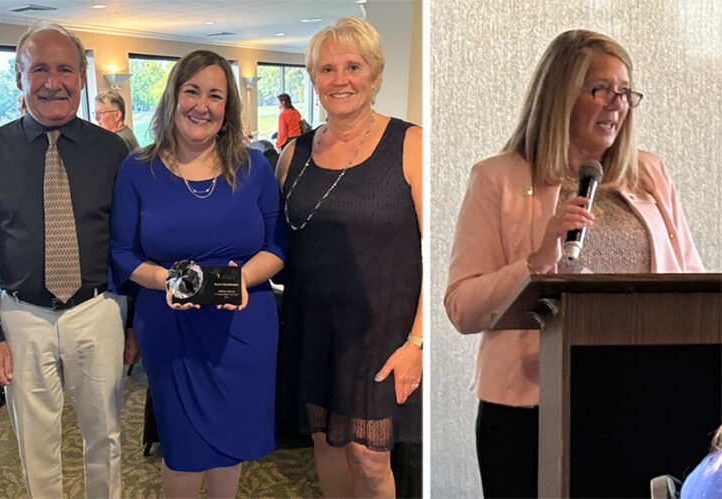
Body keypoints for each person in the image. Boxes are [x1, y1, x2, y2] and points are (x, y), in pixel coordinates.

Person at [445, 30, 703, 498]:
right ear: (560, 95)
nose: (617, 105)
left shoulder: (650, 175)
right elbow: (463, 308)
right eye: (601, 89)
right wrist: (537, 261)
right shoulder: (498, 179)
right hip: (533, 413)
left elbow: (692, 286)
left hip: (645, 401)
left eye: (625, 92)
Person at [109, 49, 285, 498]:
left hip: (243, 325)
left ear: (228, 108)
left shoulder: (254, 167)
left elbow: (277, 247)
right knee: (183, 450)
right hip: (171, 328)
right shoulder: (137, 170)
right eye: (192, 91)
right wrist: (165, 281)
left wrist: (243, 278)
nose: (202, 105)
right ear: (173, 97)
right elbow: (123, 254)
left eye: (215, 96)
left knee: (231, 448)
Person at [275, 17, 423, 498]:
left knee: (369, 458)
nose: (340, 79)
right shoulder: (293, 154)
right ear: (314, 79)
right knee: (325, 442)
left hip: (382, 335)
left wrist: (418, 342)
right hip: (311, 327)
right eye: (327, 69)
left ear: (375, 75)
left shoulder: (410, 144)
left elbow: (440, 249)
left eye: (353, 67)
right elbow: (273, 240)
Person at [0, 20, 139, 499]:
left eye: (65, 70)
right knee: (36, 449)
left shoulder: (113, 151)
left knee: (106, 439)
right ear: (19, 76)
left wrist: (134, 321)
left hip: (98, 310)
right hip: (22, 315)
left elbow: (130, 240)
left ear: (81, 77)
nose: (53, 83)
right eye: (39, 69)